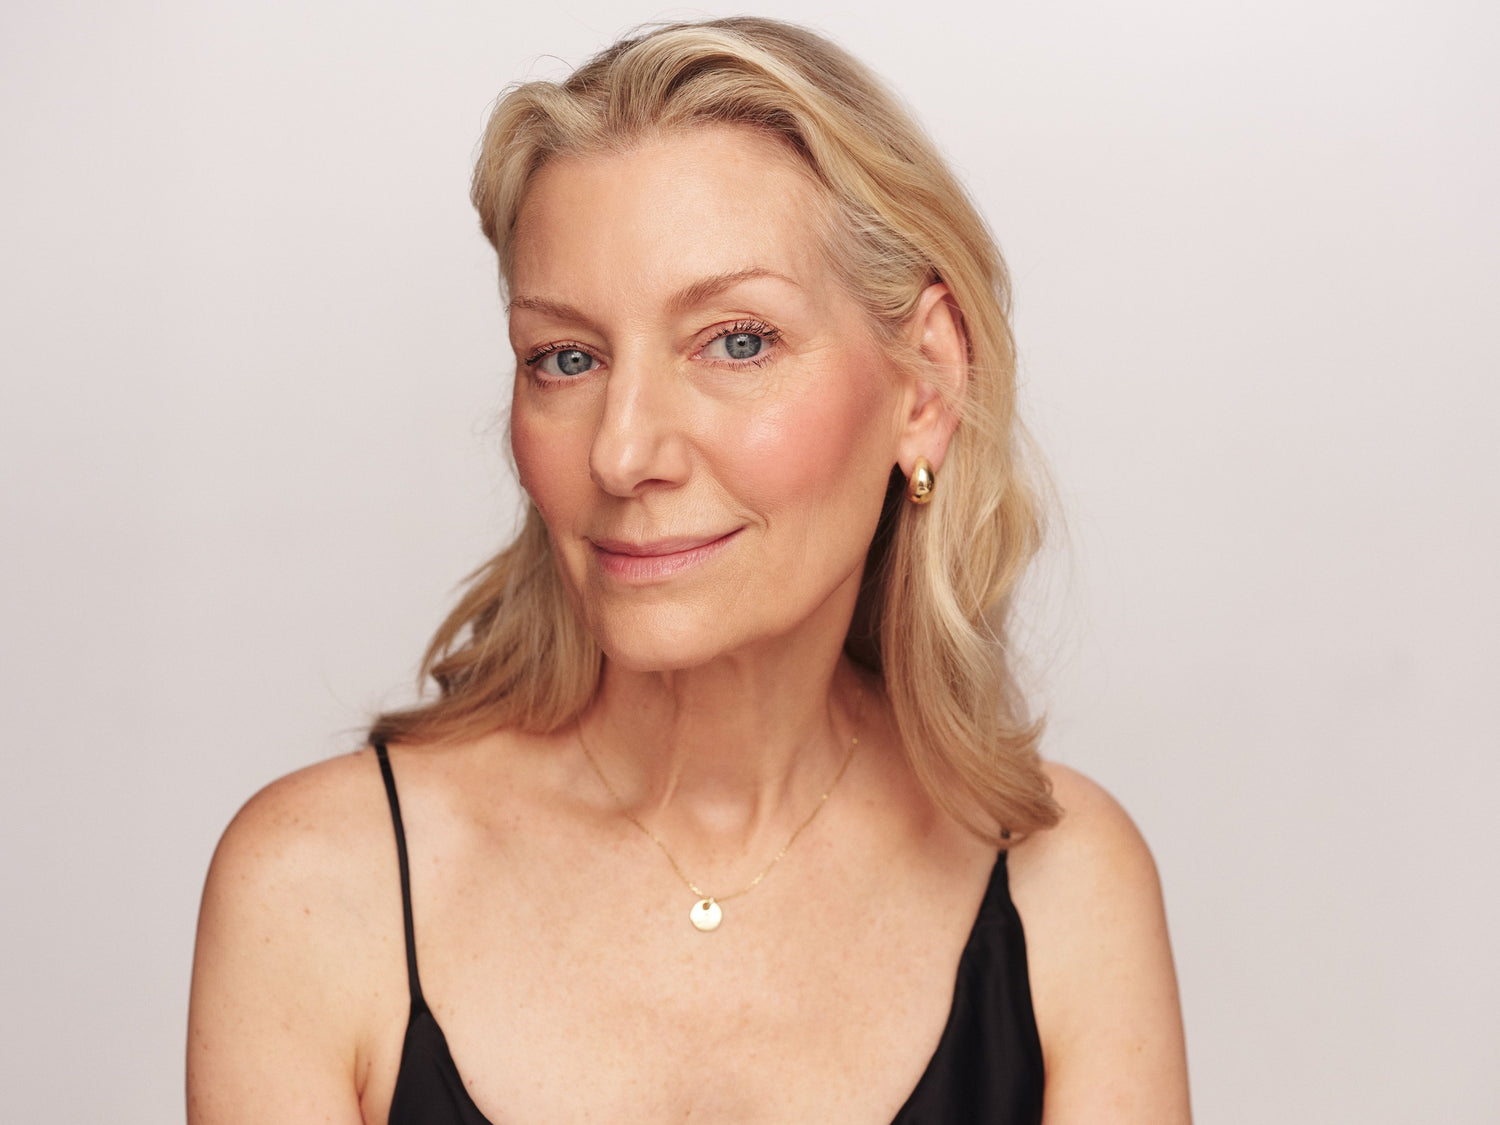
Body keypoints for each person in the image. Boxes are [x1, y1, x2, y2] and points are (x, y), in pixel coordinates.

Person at [187, 17, 1189, 1123]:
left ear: (926, 385)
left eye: (736, 342)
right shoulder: (319, 890)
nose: (622, 452)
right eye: (565, 358)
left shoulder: (1066, 890)